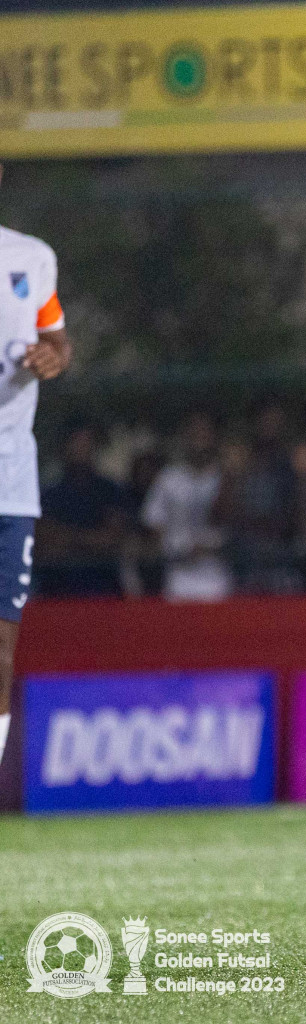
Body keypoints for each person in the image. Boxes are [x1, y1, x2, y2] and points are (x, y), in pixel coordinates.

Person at [0, 159, 74, 768]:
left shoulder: (31, 258)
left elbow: (54, 336)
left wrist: (53, 356)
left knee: (1, 648)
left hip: (10, 480)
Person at [140, 411, 232, 602]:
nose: (199, 437)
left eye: (204, 432)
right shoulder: (167, 478)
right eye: (194, 432)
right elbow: (153, 524)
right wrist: (175, 549)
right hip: (177, 579)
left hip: (216, 578)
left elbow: (228, 517)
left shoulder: (226, 477)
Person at [37, 418, 129, 597]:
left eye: (86, 442)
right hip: (56, 593)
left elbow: (113, 538)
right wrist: (90, 540)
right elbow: (44, 539)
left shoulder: (111, 491)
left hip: (104, 592)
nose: (80, 448)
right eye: (75, 442)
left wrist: (69, 539)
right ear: (64, 447)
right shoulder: (49, 493)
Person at [220, 398, 301, 594]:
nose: (270, 427)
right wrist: (233, 475)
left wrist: (303, 477)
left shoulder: (291, 466)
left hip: (280, 559)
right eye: (265, 421)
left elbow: (297, 517)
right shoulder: (241, 464)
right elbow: (223, 513)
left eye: (275, 422)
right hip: (246, 560)